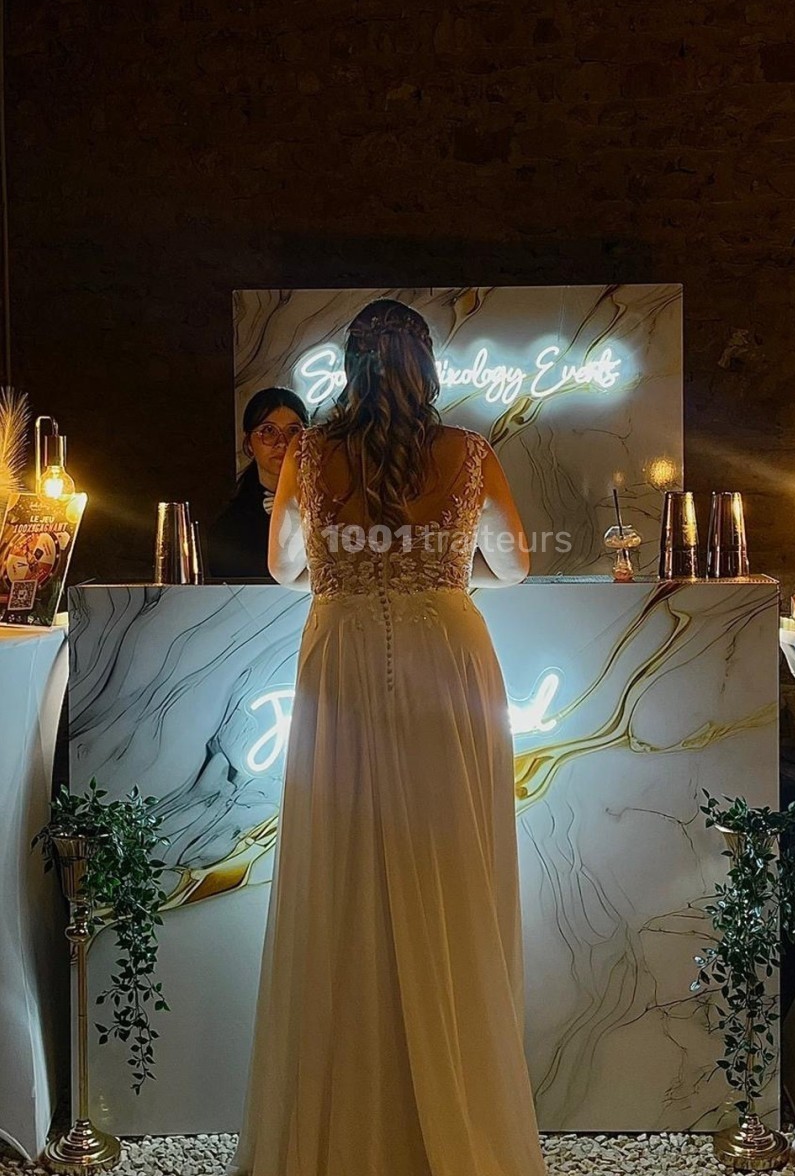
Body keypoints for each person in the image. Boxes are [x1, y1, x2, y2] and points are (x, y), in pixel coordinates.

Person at [228, 299, 548, 1176]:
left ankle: (344, 1128)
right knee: (452, 865)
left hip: (339, 653)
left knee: (342, 868)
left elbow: (282, 565)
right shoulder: (468, 452)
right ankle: (457, 1109)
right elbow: (516, 565)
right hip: (448, 647)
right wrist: (443, 563)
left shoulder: (308, 453)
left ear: (349, 368)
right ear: (426, 366)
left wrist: (354, 562)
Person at [207, 387, 309, 580]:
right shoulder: (230, 527)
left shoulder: (329, 509)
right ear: (249, 444)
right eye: (268, 431)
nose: (283, 442)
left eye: (293, 431)